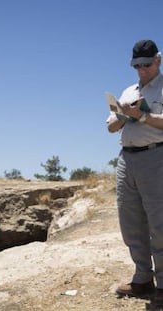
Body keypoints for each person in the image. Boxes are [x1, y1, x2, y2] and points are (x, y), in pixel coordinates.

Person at [107, 39, 163, 306]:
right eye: (136, 66)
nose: (141, 70)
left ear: (158, 60)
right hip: (126, 161)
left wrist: (143, 116)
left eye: (146, 64)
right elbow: (110, 127)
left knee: (160, 222)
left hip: (156, 157)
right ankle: (142, 277)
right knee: (130, 223)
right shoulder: (129, 90)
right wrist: (123, 115)